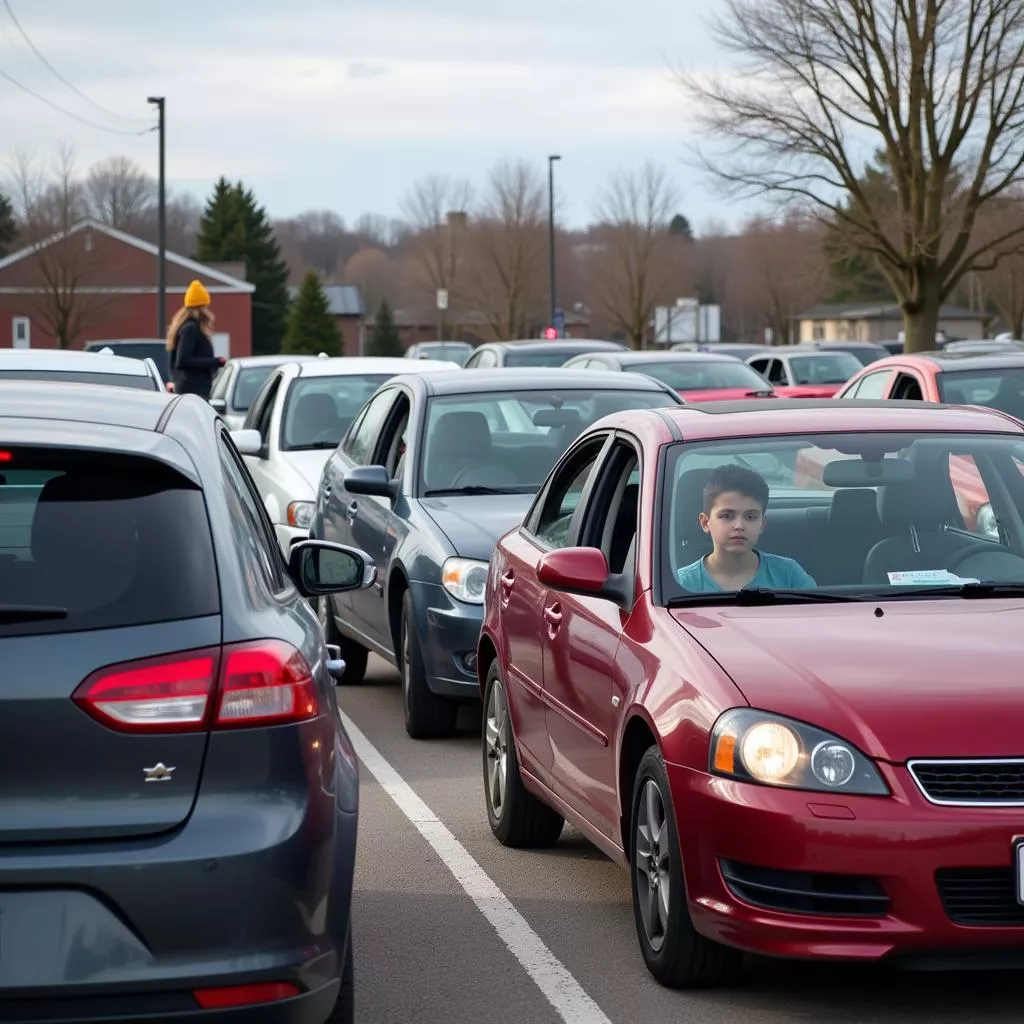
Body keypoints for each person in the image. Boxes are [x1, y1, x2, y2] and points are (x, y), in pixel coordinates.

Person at [677, 464, 816, 592]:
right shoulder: (683, 583)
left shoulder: (789, 575)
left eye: (750, 517)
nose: (739, 526)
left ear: (762, 525)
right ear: (705, 523)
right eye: (727, 516)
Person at [167, 280, 224, 399]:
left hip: (191, 388)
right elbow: (183, 360)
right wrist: (216, 362)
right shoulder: (191, 329)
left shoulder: (187, 327)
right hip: (193, 390)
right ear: (201, 308)